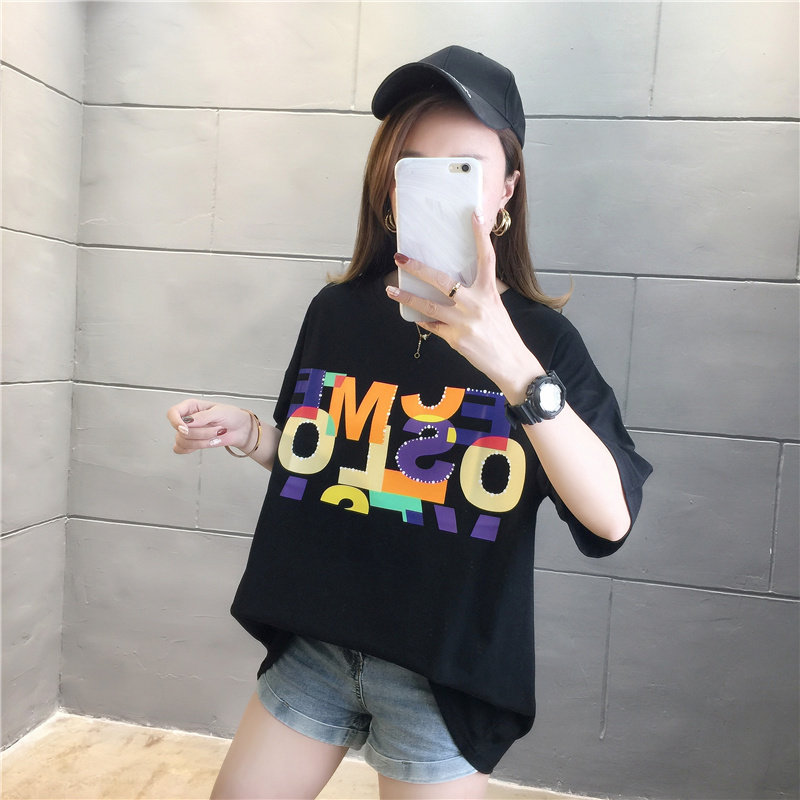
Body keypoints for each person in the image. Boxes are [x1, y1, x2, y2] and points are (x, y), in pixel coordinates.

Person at [167, 46, 652, 800]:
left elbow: (610, 519)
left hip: (441, 676)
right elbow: (330, 463)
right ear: (389, 187)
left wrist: (514, 367)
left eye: (463, 169)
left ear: (507, 191)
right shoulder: (336, 312)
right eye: (413, 166)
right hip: (317, 645)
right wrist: (253, 435)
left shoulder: (544, 344)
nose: (433, 185)